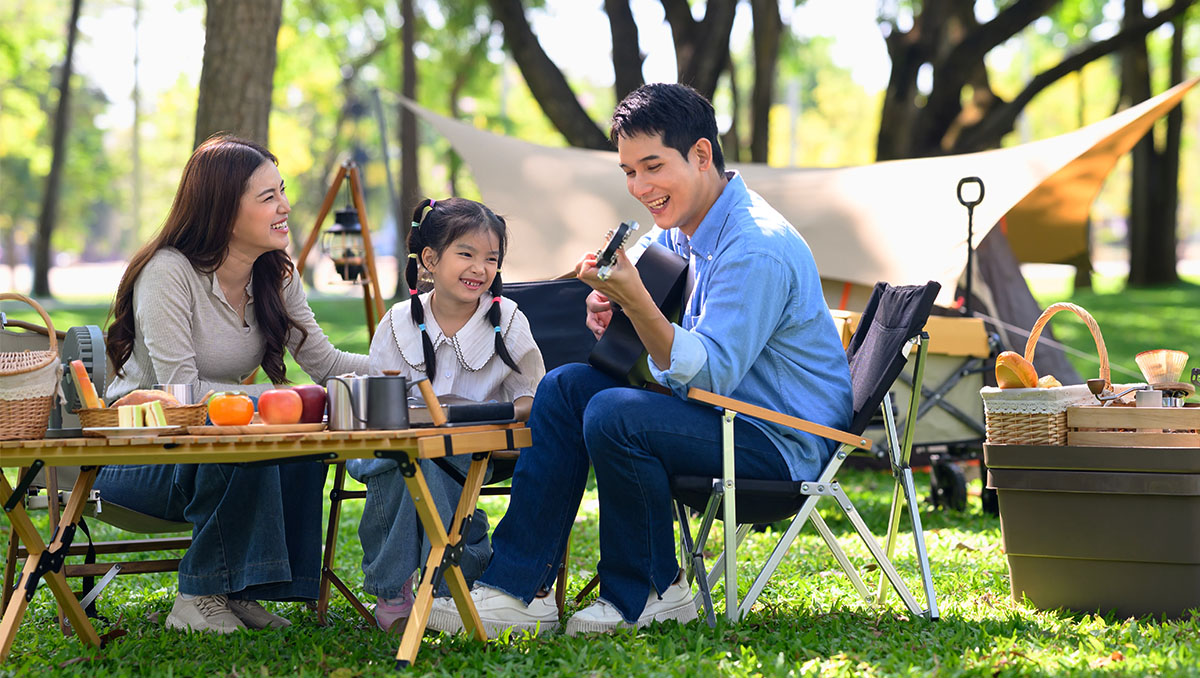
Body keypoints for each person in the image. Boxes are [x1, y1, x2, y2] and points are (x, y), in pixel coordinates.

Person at [426, 83, 853, 636]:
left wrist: (637, 301)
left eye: (653, 167)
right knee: (564, 388)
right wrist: (608, 302)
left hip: (776, 442)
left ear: (701, 154)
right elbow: (642, 298)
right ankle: (517, 590)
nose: (640, 188)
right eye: (629, 171)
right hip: (716, 416)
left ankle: (652, 592)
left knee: (615, 413)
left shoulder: (756, 246)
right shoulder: (681, 230)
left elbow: (711, 370)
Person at [95, 134, 369, 633]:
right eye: (268, 197)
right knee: (246, 438)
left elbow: (327, 362)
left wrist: (409, 367)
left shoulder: (276, 276)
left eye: (282, 192)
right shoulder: (168, 273)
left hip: (210, 450)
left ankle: (242, 590)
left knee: (296, 442)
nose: (285, 206)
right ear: (223, 210)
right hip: (137, 455)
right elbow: (180, 391)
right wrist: (278, 400)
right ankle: (197, 596)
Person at [347, 197, 545, 632]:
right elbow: (378, 403)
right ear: (430, 260)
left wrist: (485, 413)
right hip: (398, 444)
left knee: (430, 458)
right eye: (467, 254)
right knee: (403, 457)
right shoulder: (398, 322)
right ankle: (448, 573)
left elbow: (533, 397)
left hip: (472, 449)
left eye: (491, 258)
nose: (480, 268)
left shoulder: (508, 320)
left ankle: (408, 583)